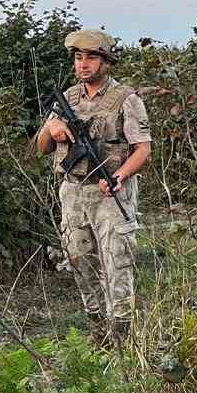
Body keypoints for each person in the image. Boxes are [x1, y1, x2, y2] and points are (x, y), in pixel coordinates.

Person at [34, 28, 152, 344]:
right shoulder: (67, 99)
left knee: (117, 262)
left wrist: (120, 177)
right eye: (78, 58)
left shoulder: (126, 99)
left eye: (90, 57)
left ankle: (123, 337)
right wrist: (52, 126)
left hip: (110, 192)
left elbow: (143, 150)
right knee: (79, 260)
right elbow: (42, 147)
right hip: (73, 191)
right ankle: (98, 330)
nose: (83, 64)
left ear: (106, 61)